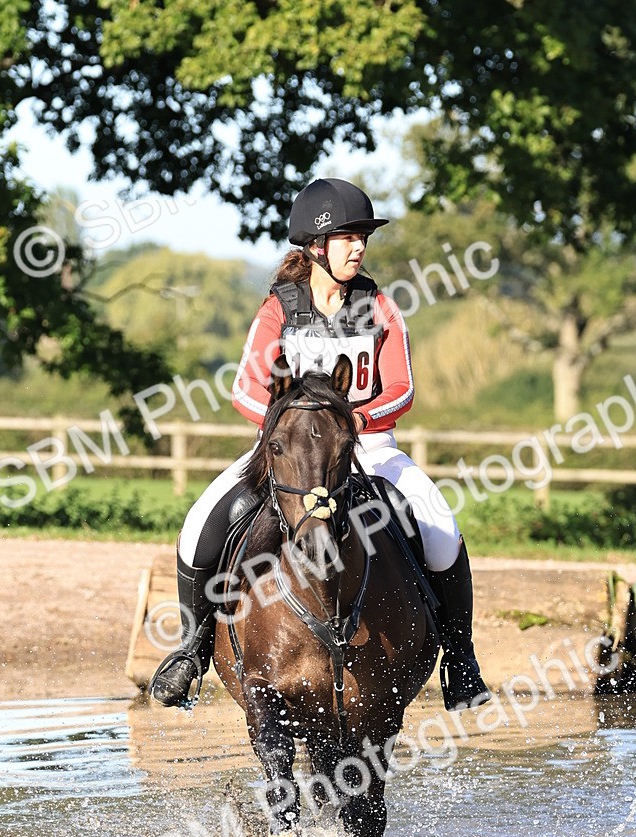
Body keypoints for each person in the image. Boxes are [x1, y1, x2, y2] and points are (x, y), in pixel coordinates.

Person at [149, 177, 489, 711]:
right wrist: (286, 434)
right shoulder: (278, 309)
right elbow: (245, 387)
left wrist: (350, 422)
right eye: (348, 237)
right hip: (286, 455)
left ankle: (461, 659)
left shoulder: (379, 308)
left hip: (369, 448)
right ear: (315, 246)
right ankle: (190, 652)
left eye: (363, 238)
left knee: (441, 526)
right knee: (199, 524)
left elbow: (402, 389)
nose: (359, 247)